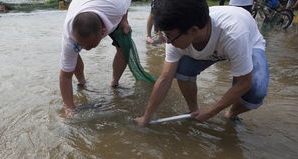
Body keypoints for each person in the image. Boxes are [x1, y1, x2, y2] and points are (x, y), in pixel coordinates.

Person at [135, 0, 269, 126]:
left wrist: (212, 111)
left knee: (256, 91)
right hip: (215, 45)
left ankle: (231, 114)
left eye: (169, 36)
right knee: (181, 69)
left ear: (193, 31)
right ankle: (194, 111)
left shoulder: (234, 36)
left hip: (247, 42)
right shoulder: (177, 32)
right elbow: (165, 78)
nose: (167, 42)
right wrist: (147, 116)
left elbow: (244, 82)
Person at [60, 0, 131, 117]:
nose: (86, 49)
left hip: (111, 8)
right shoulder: (69, 35)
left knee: (124, 46)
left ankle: (115, 83)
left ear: (103, 32)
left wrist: (124, 21)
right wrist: (69, 108)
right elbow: (65, 76)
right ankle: (81, 82)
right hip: (79, 5)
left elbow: (126, 4)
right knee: (73, 51)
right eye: (82, 44)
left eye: (91, 44)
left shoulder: (117, 8)